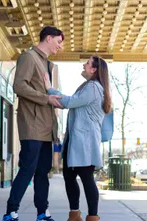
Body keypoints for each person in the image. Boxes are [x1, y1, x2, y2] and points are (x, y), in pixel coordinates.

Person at [2, 26, 64, 221]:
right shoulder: (29, 57)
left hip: (47, 128)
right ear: (48, 38)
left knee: (42, 172)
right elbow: (19, 86)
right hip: (33, 126)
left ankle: (42, 213)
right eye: (58, 41)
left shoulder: (47, 64)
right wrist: (46, 98)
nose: (60, 46)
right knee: (28, 168)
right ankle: (11, 212)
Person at [43, 56, 111, 221]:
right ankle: (74, 214)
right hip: (75, 142)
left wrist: (49, 89)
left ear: (94, 69)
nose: (84, 65)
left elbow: (69, 102)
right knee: (69, 177)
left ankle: (92, 217)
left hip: (84, 143)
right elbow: (71, 102)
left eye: (87, 63)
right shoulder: (88, 86)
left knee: (87, 180)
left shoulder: (94, 87)